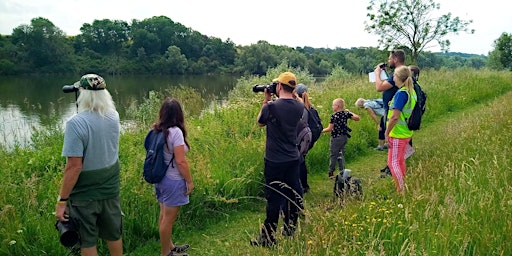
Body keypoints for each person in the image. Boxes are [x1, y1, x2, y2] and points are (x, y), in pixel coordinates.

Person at [55, 74, 123, 256]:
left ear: (82, 95)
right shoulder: (114, 116)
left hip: (84, 195)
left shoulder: (75, 124)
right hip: (110, 188)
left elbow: (74, 167)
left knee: (87, 240)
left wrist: (61, 201)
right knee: (113, 234)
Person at [251, 71, 304, 247]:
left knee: (274, 198)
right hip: (293, 158)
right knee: (292, 193)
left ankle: (268, 237)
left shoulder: (271, 106)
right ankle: (290, 228)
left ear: (279, 87)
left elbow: (260, 122)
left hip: (274, 160)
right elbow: (296, 99)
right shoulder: (299, 106)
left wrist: (266, 99)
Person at [152, 98, 194, 256]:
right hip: (173, 180)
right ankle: (165, 253)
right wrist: (189, 181)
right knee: (168, 220)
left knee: (163, 216)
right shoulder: (175, 132)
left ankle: (169, 247)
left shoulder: (157, 129)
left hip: (161, 178)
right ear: (179, 114)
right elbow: (181, 161)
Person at [385, 66, 417, 193]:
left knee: (393, 163)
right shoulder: (411, 92)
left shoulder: (401, 94)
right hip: (405, 132)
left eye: (394, 75)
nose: (393, 77)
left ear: (398, 78)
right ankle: (402, 185)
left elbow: (395, 116)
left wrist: (387, 132)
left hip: (398, 133)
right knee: (400, 161)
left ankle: (401, 190)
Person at [321, 98, 360, 179]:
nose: (332, 106)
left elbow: (330, 128)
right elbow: (357, 118)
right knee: (341, 153)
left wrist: (320, 131)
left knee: (333, 154)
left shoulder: (334, 116)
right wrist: (349, 112)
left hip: (335, 138)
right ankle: (342, 171)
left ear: (337, 106)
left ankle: (331, 172)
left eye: (333, 105)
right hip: (344, 137)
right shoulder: (345, 114)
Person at [295, 83, 323, 193]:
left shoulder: (301, 108)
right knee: (301, 160)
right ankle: (304, 185)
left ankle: (301, 186)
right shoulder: (310, 107)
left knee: (299, 161)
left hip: (302, 139)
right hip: (310, 139)